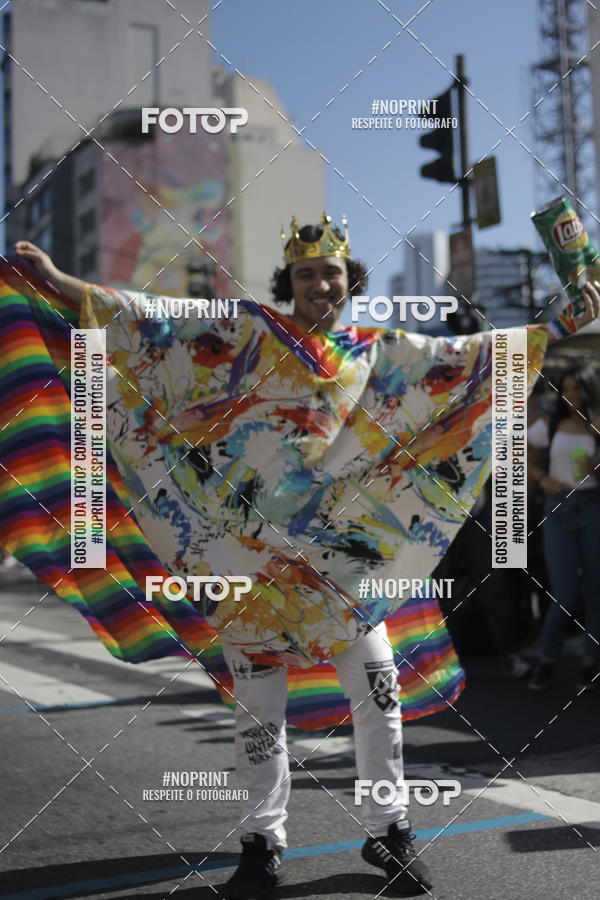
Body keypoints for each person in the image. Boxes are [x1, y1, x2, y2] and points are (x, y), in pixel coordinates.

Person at [8, 218, 600, 900]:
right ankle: (261, 845)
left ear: (351, 283)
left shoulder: (379, 350)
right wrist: (60, 284)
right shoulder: (246, 332)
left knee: (379, 698)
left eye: (333, 273)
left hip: (349, 576)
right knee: (258, 716)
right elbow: (153, 320)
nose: (322, 283)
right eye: (308, 274)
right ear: (289, 283)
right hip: (251, 573)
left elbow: (468, 358)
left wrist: (552, 329)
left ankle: (391, 830)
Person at [527, 364, 600, 692]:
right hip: (558, 509)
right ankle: (547, 657)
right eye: (566, 389)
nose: (572, 395)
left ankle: (589, 664)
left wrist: (594, 470)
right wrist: (544, 479)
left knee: (596, 592)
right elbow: (517, 455)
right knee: (565, 595)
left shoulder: (597, 426)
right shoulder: (549, 424)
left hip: (593, 506)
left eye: (577, 389)